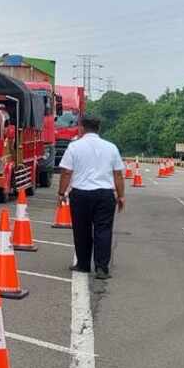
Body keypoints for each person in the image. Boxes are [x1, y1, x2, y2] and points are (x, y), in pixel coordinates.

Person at [57, 115, 125, 280]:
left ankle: (83, 264)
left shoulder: (74, 147)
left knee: (81, 230)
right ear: (99, 128)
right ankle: (102, 268)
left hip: (80, 194)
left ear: (81, 127)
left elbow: (66, 172)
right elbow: (118, 174)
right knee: (103, 230)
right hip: (104, 194)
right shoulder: (111, 148)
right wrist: (121, 196)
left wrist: (61, 193)